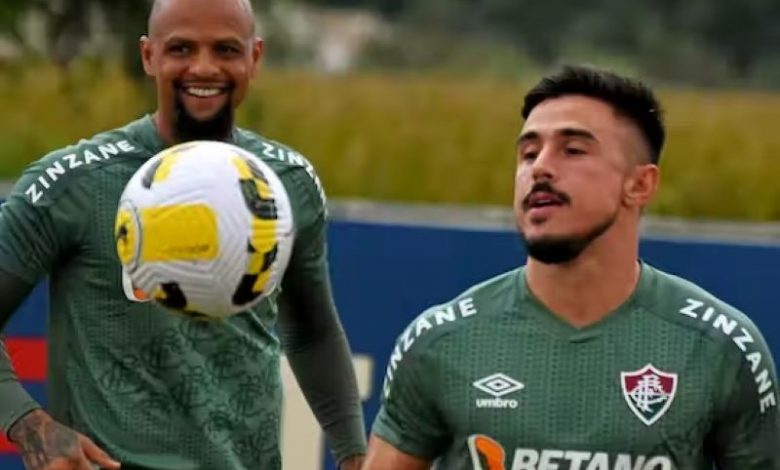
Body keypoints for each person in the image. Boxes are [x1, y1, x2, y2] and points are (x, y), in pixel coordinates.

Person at [0, 0, 367, 469]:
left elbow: (313, 332)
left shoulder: (287, 183)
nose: (204, 67)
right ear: (148, 55)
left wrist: (355, 454)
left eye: (226, 49)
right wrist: (30, 426)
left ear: (254, 57)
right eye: (181, 49)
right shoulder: (73, 183)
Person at [362, 65, 779, 469]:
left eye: (573, 150)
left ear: (640, 184)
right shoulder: (442, 341)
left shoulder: (719, 347)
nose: (539, 167)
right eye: (528, 153)